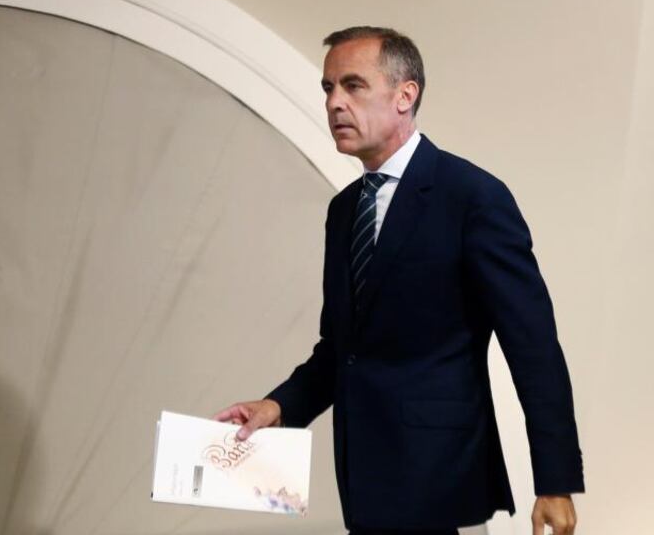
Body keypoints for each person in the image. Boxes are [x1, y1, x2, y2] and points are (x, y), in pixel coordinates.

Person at [215, 27, 584, 535]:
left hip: (437, 478)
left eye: (353, 85)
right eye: (328, 88)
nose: (335, 103)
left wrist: (555, 481)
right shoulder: (344, 210)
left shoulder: (472, 197)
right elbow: (341, 349)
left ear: (405, 95)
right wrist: (279, 406)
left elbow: (533, 347)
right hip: (362, 479)